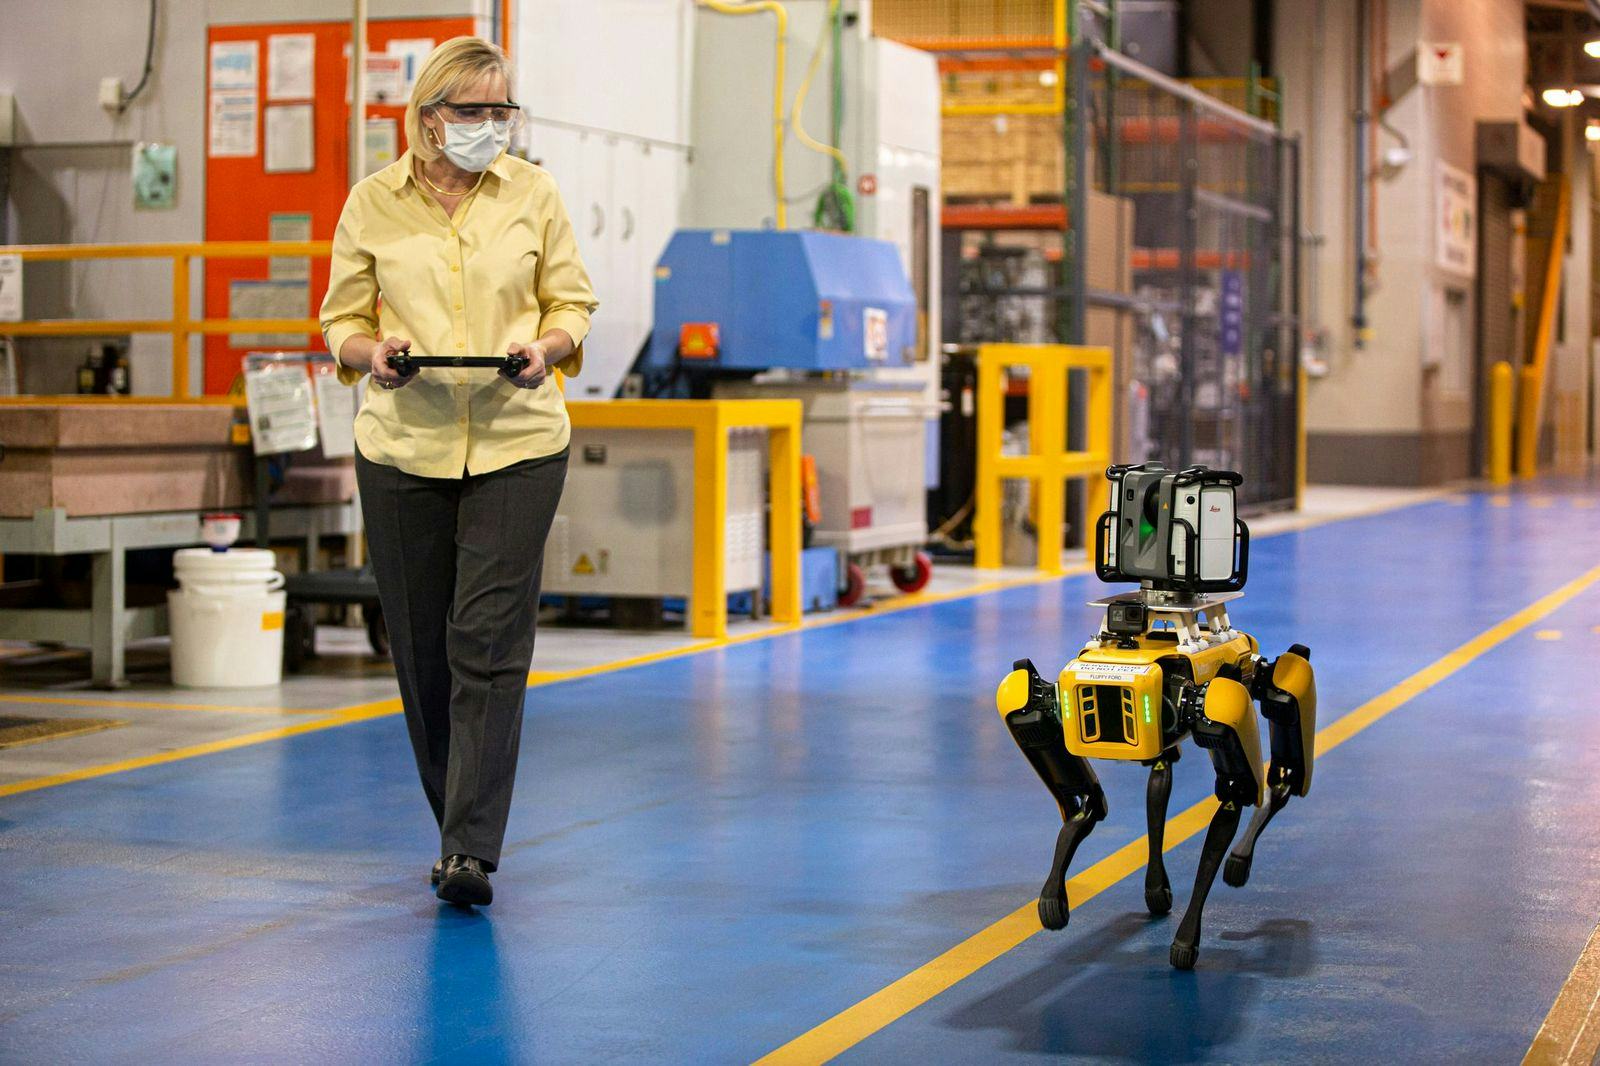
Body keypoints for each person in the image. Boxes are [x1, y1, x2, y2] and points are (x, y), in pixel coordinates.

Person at [319, 36, 597, 907]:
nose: (488, 127)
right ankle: (456, 827)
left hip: (517, 440)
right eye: (470, 111)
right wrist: (377, 353)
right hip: (403, 445)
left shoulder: (534, 194)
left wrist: (544, 348)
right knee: (424, 651)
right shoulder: (372, 203)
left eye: (499, 111)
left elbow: (572, 303)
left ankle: (471, 850)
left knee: (486, 640)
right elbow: (340, 322)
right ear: (428, 117)